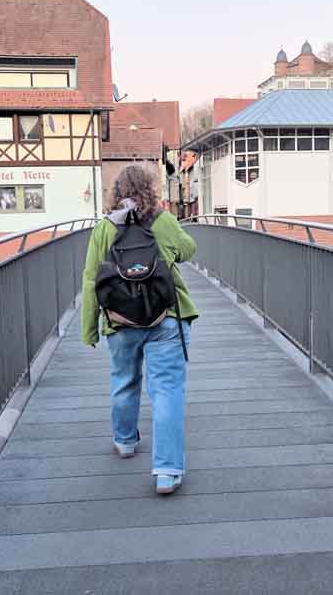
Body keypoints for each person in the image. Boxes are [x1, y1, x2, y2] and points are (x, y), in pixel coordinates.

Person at [81, 165, 197, 494]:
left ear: (116, 192)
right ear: (151, 189)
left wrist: (91, 327)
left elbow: (91, 278)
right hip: (166, 316)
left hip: (120, 319)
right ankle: (167, 470)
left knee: (124, 380)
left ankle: (125, 441)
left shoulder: (104, 228)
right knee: (167, 391)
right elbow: (188, 251)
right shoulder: (163, 220)